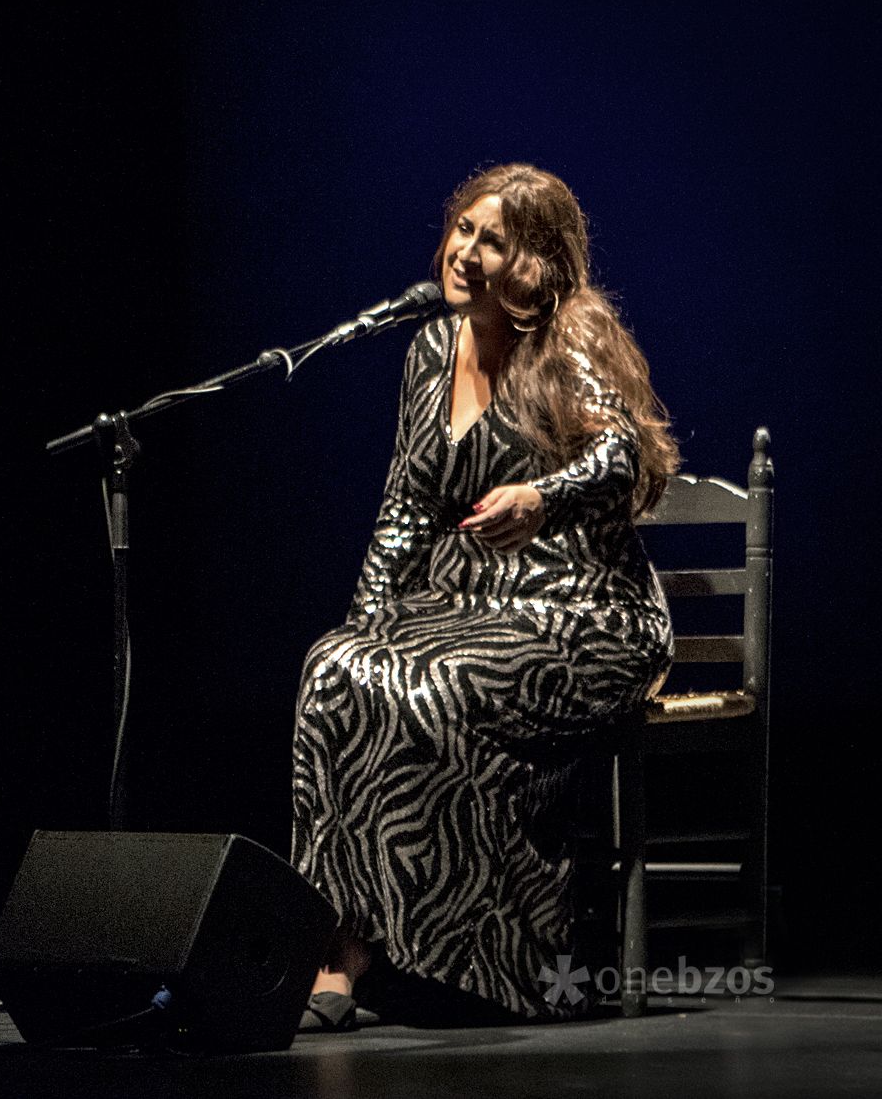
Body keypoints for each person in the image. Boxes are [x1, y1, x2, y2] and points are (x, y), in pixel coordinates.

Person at [290, 163, 679, 1030]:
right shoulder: (430, 349)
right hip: (472, 606)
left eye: (491, 239)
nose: (466, 250)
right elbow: (403, 510)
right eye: (462, 228)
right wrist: (364, 628)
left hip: (585, 612)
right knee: (334, 675)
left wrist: (544, 497)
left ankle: (479, 959)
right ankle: (338, 953)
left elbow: (622, 455)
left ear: (533, 261)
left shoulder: (568, 339)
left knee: (433, 689)